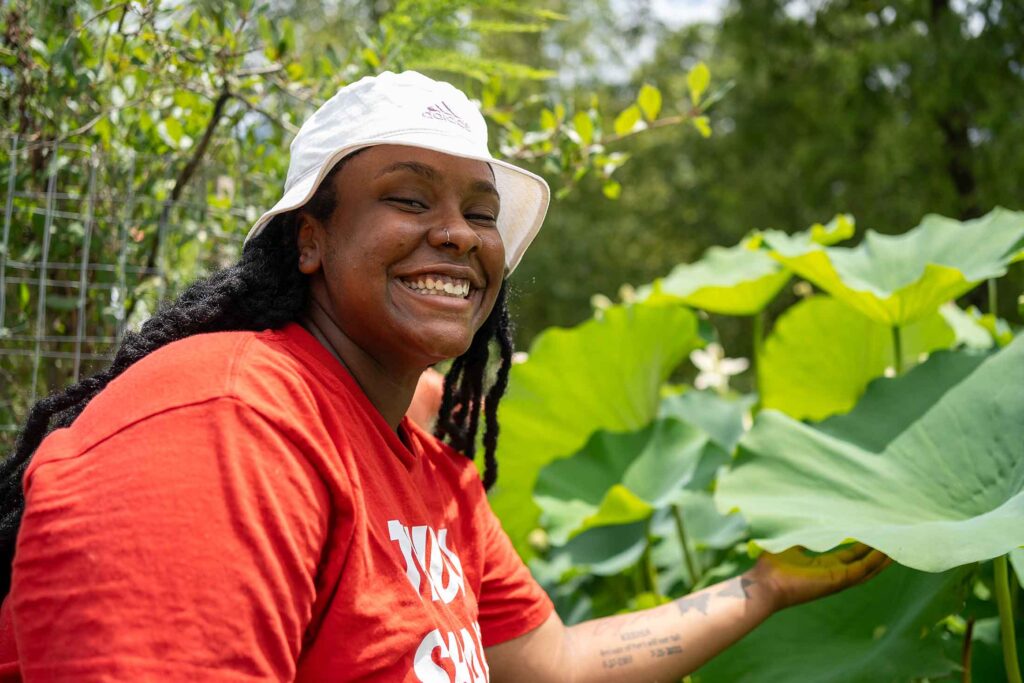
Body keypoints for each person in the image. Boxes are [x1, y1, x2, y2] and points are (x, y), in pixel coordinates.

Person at [0, 71, 888, 682]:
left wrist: (763, 587)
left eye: (480, 211)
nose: (458, 233)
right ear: (309, 238)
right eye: (409, 197)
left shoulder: (428, 475)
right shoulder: (228, 423)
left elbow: (550, 666)